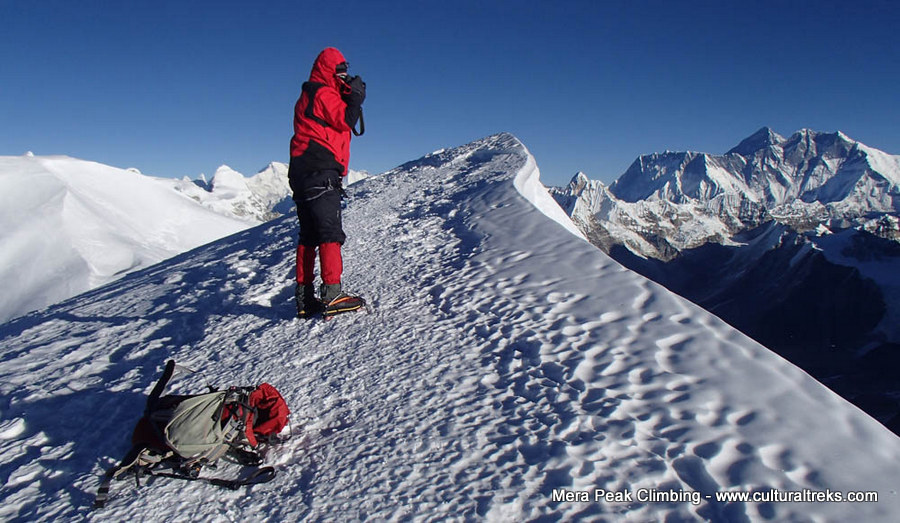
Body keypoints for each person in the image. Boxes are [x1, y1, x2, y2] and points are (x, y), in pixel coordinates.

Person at [288, 47, 366, 318]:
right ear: (329, 71)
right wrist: (355, 98)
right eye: (340, 71)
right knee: (329, 232)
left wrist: (348, 95)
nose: (344, 76)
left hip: (301, 171)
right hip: (321, 168)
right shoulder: (322, 92)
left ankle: (304, 298)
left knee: (308, 235)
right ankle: (333, 294)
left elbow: (332, 119)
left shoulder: (309, 94)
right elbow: (344, 120)